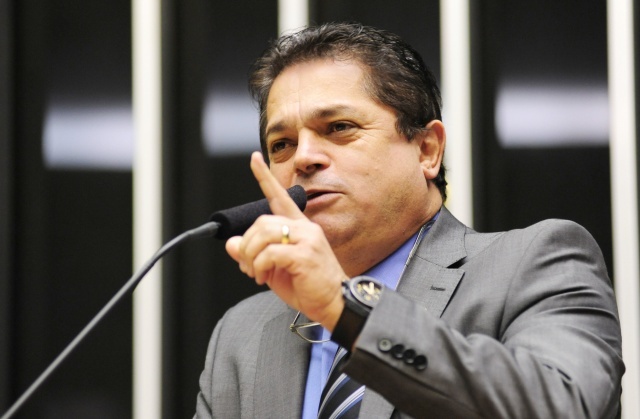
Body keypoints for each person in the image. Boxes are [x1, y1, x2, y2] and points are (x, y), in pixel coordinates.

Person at [195, 22, 624, 418]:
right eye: (281, 144)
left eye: (339, 127)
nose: (303, 158)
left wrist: (344, 309)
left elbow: (565, 406)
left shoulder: (534, 262)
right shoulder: (241, 333)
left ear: (427, 150)